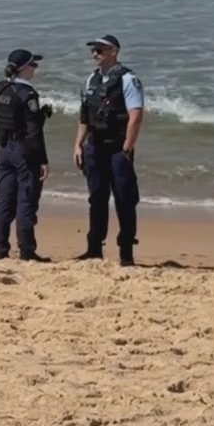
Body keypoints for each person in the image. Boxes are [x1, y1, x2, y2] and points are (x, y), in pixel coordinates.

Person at [73, 33, 144, 265]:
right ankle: (94, 249)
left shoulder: (127, 79)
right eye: (93, 50)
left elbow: (135, 116)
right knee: (97, 198)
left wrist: (127, 149)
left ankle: (126, 253)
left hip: (117, 149)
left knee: (124, 199)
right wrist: (78, 144)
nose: (95, 54)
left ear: (114, 52)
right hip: (95, 147)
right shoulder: (91, 80)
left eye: (100, 50)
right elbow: (85, 116)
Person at [0, 47, 51, 261]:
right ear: (24, 68)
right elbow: (33, 131)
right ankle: (27, 250)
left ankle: (0, 249)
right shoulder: (28, 94)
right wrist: (43, 160)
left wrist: (0, 144)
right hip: (24, 152)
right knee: (26, 199)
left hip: (4, 149)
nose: (35, 69)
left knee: (5, 200)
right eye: (33, 65)